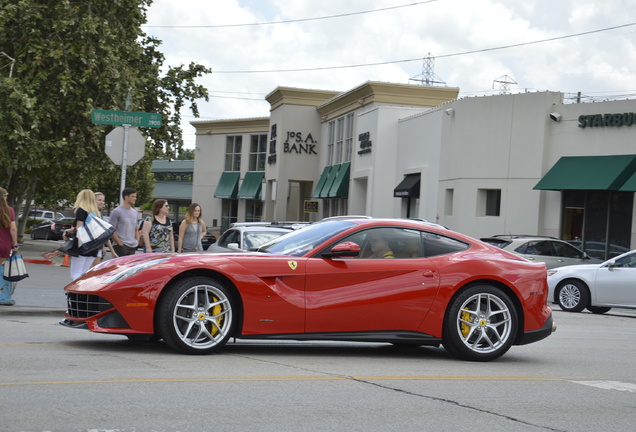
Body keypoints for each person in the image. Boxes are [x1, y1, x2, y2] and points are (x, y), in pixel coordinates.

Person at [66, 189, 101, 280]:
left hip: (82, 245)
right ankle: (83, 293)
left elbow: (79, 228)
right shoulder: (96, 213)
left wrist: (69, 232)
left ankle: (76, 293)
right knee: (84, 273)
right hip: (94, 246)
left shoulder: (81, 210)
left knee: (76, 273)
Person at [0, 188, 19, 306]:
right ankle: (3, 295)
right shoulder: (9, 210)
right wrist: (15, 243)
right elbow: (13, 228)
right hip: (4, 245)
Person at [109, 187, 139, 256]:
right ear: (126, 197)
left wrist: (137, 241)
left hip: (132, 246)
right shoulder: (116, 211)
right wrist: (120, 243)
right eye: (133, 196)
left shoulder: (135, 212)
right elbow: (111, 230)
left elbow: (136, 228)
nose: (135, 198)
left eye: (135, 196)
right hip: (121, 246)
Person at [92, 192, 117, 267]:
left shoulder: (99, 214)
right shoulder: (91, 214)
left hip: (97, 247)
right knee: (88, 273)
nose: (102, 202)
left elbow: (103, 234)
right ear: (93, 200)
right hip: (90, 247)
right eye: (99, 200)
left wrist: (104, 247)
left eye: (103, 200)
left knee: (93, 273)